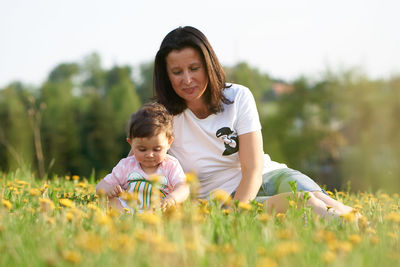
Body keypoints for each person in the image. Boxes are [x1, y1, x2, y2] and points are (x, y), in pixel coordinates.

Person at [153, 26, 355, 218]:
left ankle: (368, 230)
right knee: (306, 203)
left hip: (268, 175)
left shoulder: (237, 96)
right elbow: (138, 160)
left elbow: (253, 169)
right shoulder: (161, 118)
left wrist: (236, 213)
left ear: (208, 66)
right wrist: (233, 214)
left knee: (324, 201)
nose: (187, 79)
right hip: (224, 198)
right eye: (177, 72)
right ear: (166, 75)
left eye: (194, 68)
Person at [96, 103, 189, 213]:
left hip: (158, 210)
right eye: (142, 149)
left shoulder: (170, 165)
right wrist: (108, 189)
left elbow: (183, 187)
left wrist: (172, 199)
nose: (149, 154)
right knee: (109, 201)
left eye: (157, 149)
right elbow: (101, 185)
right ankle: (125, 220)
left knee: (175, 210)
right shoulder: (126, 165)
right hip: (128, 210)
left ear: (169, 142)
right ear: (131, 143)